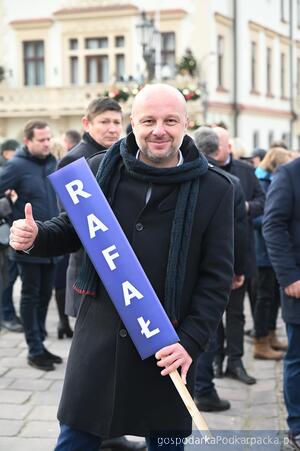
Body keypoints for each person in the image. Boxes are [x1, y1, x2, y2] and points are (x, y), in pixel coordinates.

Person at [10, 84, 234, 451]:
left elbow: (217, 277)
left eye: (169, 120)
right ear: (133, 122)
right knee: (74, 442)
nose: (158, 130)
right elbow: (71, 230)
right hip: (99, 342)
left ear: (186, 123)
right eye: (148, 120)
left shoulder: (215, 187)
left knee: (165, 444)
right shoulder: (99, 169)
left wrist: (191, 342)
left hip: (167, 346)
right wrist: (35, 235)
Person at [193, 126, 247, 411]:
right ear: (216, 150)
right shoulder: (228, 183)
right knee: (207, 329)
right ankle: (203, 388)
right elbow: (236, 234)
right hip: (213, 272)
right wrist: (237, 270)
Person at [0, 120, 60, 371]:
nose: (47, 144)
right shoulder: (16, 165)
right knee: (30, 295)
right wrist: (8, 214)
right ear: (28, 141)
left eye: (49, 139)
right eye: (42, 140)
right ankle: (34, 350)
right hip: (27, 245)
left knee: (46, 295)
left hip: (52, 242)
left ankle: (41, 343)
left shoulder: (53, 163)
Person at [59, 97, 123, 319]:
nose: (112, 129)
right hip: (89, 272)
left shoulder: (121, 156)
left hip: (118, 269)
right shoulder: (74, 160)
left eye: (117, 122)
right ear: (87, 124)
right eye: (105, 122)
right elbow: (71, 223)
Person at [211, 126, 265, 385]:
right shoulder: (204, 168)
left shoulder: (245, 171)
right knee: (211, 312)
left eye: (218, 143)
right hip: (212, 255)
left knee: (235, 312)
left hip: (240, 252)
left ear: (228, 147)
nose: (214, 148)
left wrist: (242, 207)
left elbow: (262, 202)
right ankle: (216, 359)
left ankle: (235, 360)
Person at [263, 156, 300, 450]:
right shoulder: (289, 174)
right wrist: (289, 277)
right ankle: (297, 426)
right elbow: (273, 226)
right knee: (298, 358)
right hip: (299, 285)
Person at [252, 147, 292, 360]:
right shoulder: (261, 183)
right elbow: (257, 219)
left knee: (274, 298)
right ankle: (260, 341)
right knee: (264, 298)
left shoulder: (272, 181)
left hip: (271, 252)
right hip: (262, 252)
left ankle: (270, 335)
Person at [0, 138, 22, 332]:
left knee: (9, 276)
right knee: (6, 277)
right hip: (3, 234)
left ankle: (8, 313)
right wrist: (9, 202)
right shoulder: (5, 172)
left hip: (7, 232)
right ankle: (6, 315)